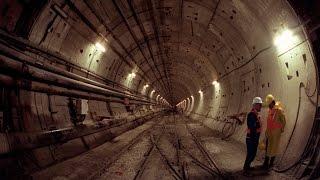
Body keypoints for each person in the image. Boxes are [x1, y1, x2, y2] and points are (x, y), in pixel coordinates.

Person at [262, 94, 286, 170]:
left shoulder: (279, 110)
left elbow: (283, 121)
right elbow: (269, 122)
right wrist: (266, 131)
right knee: (268, 147)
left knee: (274, 147)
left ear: (272, 102)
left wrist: (281, 129)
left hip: (276, 132)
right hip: (269, 132)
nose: (268, 105)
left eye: (269, 104)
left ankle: (271, 163)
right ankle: (266, 163)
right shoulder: (270, 110)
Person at [243, 97, 263, 175]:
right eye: (259, 105)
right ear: (255, 105)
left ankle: (248, 166)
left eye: (261, 105)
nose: (261, 106)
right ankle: (245, 170)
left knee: (253, 153)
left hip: (254, 138)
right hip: (251, 138)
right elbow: (252, 127)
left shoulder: (255, 114)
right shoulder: (251, 115)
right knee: (250, 154)